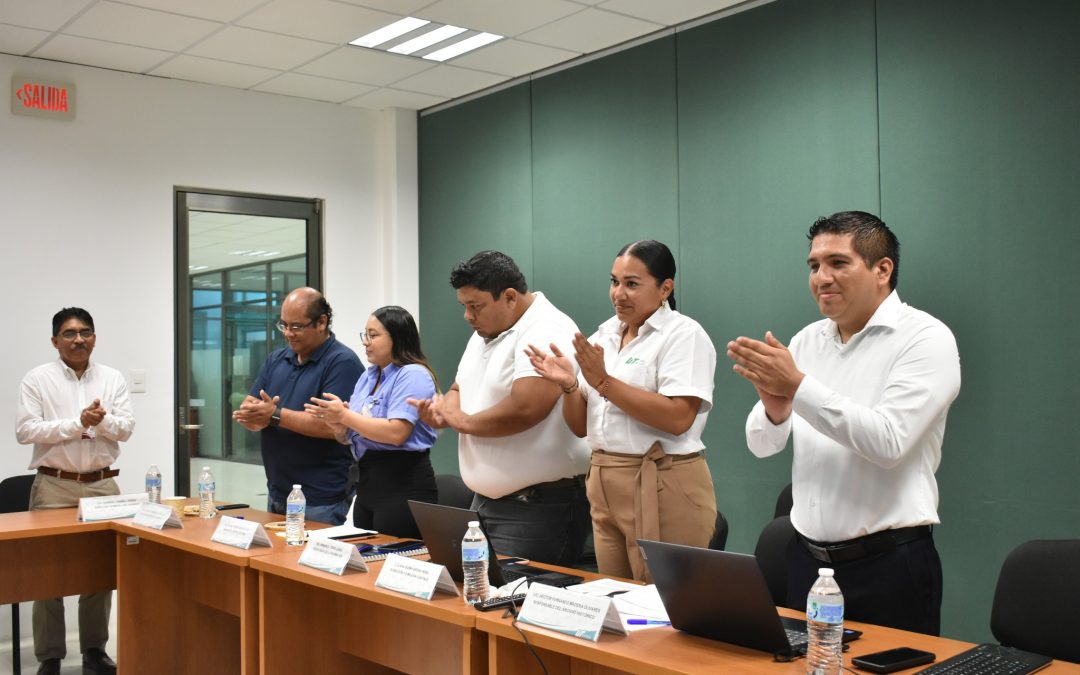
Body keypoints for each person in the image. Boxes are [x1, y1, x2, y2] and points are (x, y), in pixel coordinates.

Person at [727, 211, 961, 635]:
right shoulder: (806, 340)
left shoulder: (926, 339)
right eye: (814, 266)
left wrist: (798, 387)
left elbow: (888, 442)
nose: (822, 277)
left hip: (889, 565)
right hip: (807, 563)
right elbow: (763, 445)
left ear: (882, 270)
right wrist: (776, 409)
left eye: (838, 263)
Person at [526, 240, 717, 581]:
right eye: (614, 282)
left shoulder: (684, 335)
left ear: (665, 288)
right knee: (615, 597)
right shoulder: (605, 335)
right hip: (604, 479)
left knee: (661, 609)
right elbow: (581, 427)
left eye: (632, 284)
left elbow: (677, 418)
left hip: (661, 480)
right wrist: (569, 385)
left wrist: (603, 382)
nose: (619, 293)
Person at [410, 250, 591, 567]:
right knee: (473, 599)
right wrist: (444, 411)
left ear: (509, 297)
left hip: (536, 508)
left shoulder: (546, 329)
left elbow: (527, 408)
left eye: (475, 306)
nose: (468, 316)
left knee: (513, 606)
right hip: (486, 504)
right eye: (464, 306)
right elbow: (457, 388)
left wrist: (463, 422)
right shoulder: (485, 333)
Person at [15, 307, 134, 675]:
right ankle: (50, 657)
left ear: (95, 337)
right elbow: (26, 431)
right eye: (69, 334)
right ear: (55, 341)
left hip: (102, 485)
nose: (79, 339)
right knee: (47, 572)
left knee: (100, 571)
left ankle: (94, 651)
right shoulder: (38, 379)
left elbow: (126, 428)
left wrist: (101, 421)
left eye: (86, 332)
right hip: (54, 485)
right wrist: (77, 423)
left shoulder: (112, 378)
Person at [305, 306, 439, 537]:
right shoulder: (368, 376)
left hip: (402, 482)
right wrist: (339, 426)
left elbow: (397, 433)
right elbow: (349, 436)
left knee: (394, 561)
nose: (366, 342)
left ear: (397, 336)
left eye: (373, 335)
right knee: (366, 561)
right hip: (368, 481)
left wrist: (345, 416)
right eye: (365, 335)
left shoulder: (413, 374)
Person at [232, 288, 362, 525]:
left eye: (297, 326)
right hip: (278, 490)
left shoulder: (342, 362)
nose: (288, 334)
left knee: (309, 561)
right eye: (284, 325)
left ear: (321, 322)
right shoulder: (276, 359)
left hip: (320, 496)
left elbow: (333, 426)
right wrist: (255, 417)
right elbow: (250, 406)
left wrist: (275, 415)